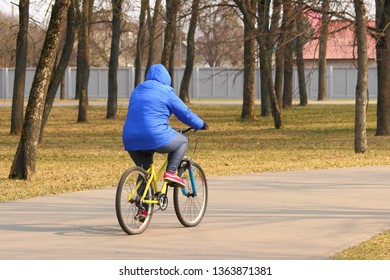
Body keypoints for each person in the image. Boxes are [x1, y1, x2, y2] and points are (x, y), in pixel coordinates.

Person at [122, 64, 208, 220]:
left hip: (130, 138)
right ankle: (171, 172)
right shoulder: (166, 91)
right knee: (182, 141)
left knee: (145, 171)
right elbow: (185, 114)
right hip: (154, 135)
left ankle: (143, 209)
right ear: (166, 79)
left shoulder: (138, 90)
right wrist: (200, 124)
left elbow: (146, 115)